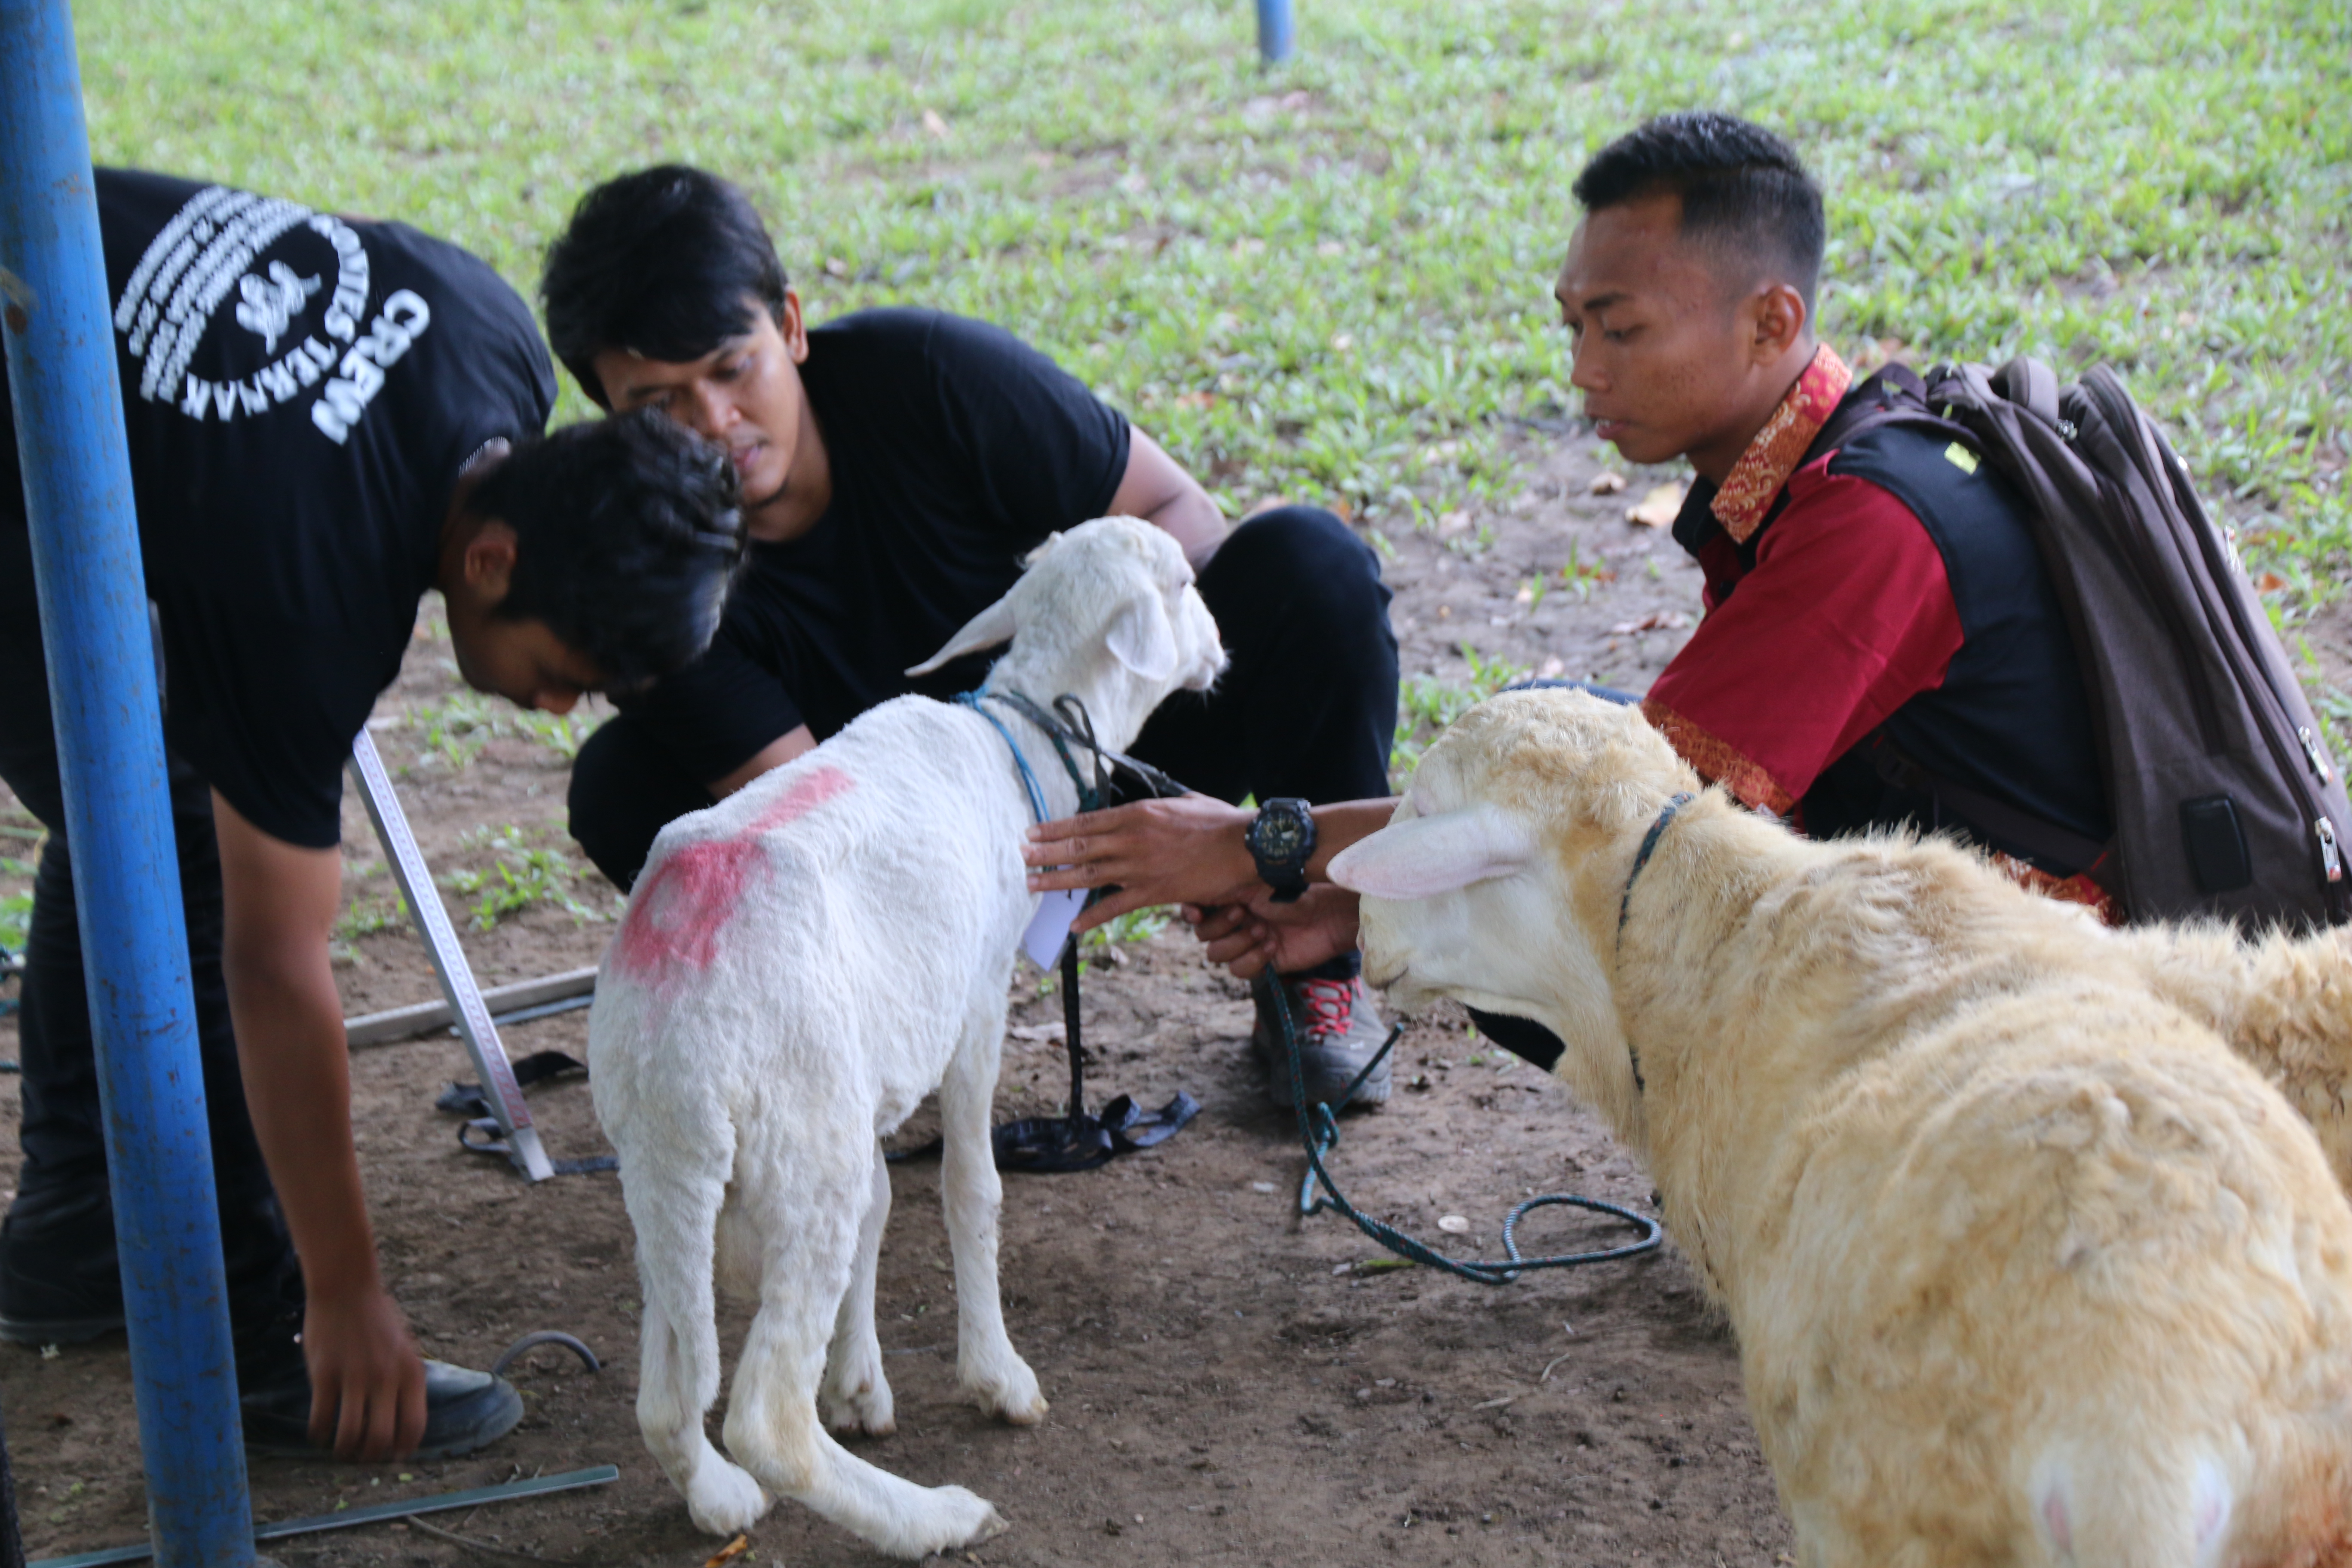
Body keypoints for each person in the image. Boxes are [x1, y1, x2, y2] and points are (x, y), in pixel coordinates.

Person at [0, 167, 747, 1463]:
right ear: (492, 559)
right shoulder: (305, 590)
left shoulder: (489, 332)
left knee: (154, 795)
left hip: (41, 274)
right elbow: (274, 967)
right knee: (178, 854)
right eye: (563, 673)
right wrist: (350, 1286)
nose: (560, 709)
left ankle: (75, 1223)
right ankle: (268, 1340)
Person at [1024, 110, 2109, 998]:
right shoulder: (1815, 466)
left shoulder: (1871, 522)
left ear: (1773, 322)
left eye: (1621, 329)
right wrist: (1360, 892)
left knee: (1563, 789)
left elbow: (1621, 810)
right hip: (1930, 909)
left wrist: (1260, 842)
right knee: (1550, 746)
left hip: (2037, 990)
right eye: (1574, 327)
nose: (1585, 370)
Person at [539, 165, 1402, 1110]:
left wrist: (1221, 841)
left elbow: (1170, 511)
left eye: (731, 366)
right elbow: (831, 830)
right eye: (659, 404)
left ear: (788, 325)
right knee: (626, 783)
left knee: (1305, 562)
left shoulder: (926, 374)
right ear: (611, 419)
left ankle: (1313, 963)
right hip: (908, 854)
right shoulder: (657, 589)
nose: (715, 424)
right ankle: (847, 1045)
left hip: (1108, 757)